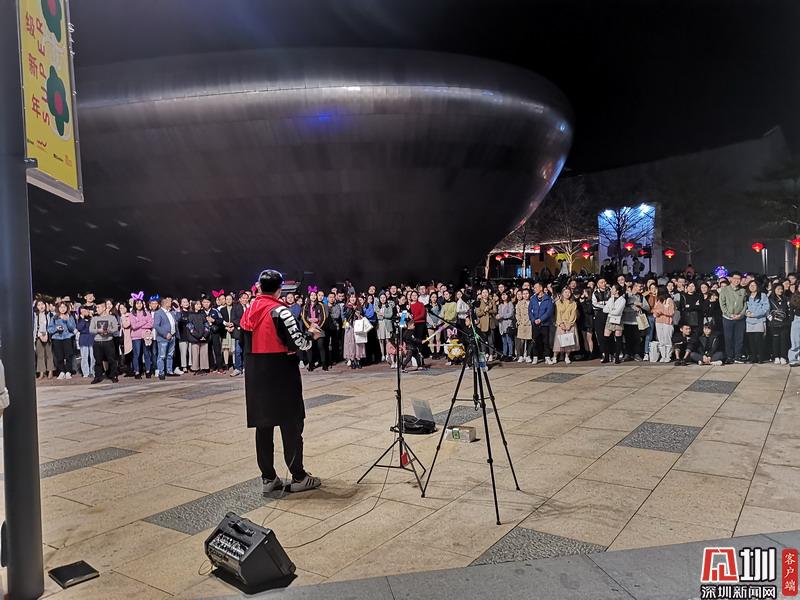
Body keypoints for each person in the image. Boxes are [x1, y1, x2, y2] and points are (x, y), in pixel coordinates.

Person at [240, 269, 322, 494]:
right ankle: (298, 476)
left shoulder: (249, 310)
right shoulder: (281, 311)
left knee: (263, 427)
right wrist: (311, 334)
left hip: (255, 375)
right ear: (279, 289)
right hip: (281, 373)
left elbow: (242, 343)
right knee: (291, 424)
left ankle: (268, 478)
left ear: (259, 287)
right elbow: (299, 343)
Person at [719, 271, 748, 364]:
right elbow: (722, 304)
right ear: (731, 279)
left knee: (739, 338)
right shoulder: (724, 290)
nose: (737, 281)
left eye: (739, 279)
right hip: (728, 318)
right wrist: (729, 314)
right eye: (735, 278)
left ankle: (738, 356)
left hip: (740, 318)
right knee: (728, 338)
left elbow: (745, 304)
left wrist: (741, 314)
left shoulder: (743, 291)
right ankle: (729, 356)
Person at [89, 303, 120, 384]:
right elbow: (91, 330)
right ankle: (98, 376)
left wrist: (109, 331)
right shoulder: (94, 318)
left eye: (98, 307)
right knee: (98, 361)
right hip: (97, 342)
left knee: (111, 360)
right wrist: (98, 331)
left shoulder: (111, 317)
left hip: (108, 341)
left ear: (104, 308)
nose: (97, 309)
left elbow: (115, 328)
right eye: (96, 307)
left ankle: (113, 375)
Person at [48, 301, 77, 379]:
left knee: (68, 355)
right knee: (59, 356)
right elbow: (50, 329)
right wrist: (56, 328)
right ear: (58, 308)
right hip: (57, 338)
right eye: (61, 307)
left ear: (67, 308)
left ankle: (68, 371)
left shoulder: (70, 317)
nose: (63, 309)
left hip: (67, 337)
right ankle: (62, 371)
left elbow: (73, 328)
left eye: (64, 307)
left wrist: (67, 320)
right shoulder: (54, 317)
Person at [154, 297, 180, 380]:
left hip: (172, 336)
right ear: (165, 303)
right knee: (162, 356)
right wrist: (165, 334)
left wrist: (178, 310)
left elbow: (178, 319)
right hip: (163, 338)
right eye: (169, 301)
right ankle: (161, 372)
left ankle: (169, 371)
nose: (171, 302)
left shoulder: (171, 312)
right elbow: (156, 326)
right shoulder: (158, 313)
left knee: (170, 355)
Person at [528, 282, 554, 365]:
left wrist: (541, 319)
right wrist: (533, 319)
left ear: (541, 288)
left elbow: (549, 312)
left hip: (544, 324)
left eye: (536, 287)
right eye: (534, 288)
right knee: (535, 341)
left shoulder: (548, 299)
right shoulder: (533, 299)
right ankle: (535, 357)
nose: (534, 289)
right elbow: (530, 310)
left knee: (546, 341)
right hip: (535, 324)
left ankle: (547, 357)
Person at [745, 280, 769, 364]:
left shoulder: (762, 295)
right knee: (751, 341)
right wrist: (747, 312)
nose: (752, 287)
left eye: (754, 285)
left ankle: (761, 357)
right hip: (749, 321)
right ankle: (753, 357)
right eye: (750, 285)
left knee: (759, 340)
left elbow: (766, 308)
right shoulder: (747, 296)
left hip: (759, 320)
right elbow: (745, 307)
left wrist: (754, 314)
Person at [552, 287, 579, 364]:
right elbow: (557, 314)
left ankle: (567, 357)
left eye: (569, 292)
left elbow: (573, 314)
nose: (567, 294)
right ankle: (555, 356)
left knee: (569, 341)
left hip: (570, 324)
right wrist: (560, 323)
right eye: (566, 292)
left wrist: (570, 324)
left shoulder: (573, 303)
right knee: (558, 342)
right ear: (562, 293)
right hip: (561, 324)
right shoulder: (558, 303)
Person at [130, 295, 154, 379]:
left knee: (147, 353)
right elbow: (133, 326)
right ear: (134, 304)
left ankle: (148, 371)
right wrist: (144, 322)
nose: (139, 305)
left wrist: (140, 324)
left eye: (140, 303)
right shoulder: (132, 314)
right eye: (137, 303)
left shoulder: (147, 313)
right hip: (136, 337)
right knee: (136, 354)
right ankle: (136, 371)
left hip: (146, 336)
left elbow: (150, 324)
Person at [185, 300, 211, 375]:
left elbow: (207, 325)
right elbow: (190, 327)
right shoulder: (190, 315)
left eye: (199, 304)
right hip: (195, 338)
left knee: (204, 354)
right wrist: (198, 336)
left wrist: (204, 335)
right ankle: (195, 368)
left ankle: (204, 368)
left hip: (204, 338)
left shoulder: (203, 314)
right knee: (195, 354)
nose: (199, 305)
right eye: (197, 304)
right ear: (193, 305)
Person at [602, 284, 626, 364]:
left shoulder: (622, 300)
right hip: (610, 318)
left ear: (617, 291)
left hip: (618, 319)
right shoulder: (611, 299)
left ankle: (617, 357)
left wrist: (610, 310)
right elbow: (604, 310)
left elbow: (617, 312)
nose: (611, 290)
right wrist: (612, 310)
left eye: (613, 288)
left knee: (618, 338)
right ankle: (606, 356)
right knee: (606, 337)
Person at [767, 283, 791, 364]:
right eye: (778, 289)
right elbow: (767, 311)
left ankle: (783, 356)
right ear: (774, 290)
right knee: (775, 341)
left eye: (781, 289)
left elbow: (788, 311)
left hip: (784, 323)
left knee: (784, 340)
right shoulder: (770, 299)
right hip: (774, 323)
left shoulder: (786, 299)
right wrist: (771, 319)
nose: (780, 290)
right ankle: (776, 356)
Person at [652, 286, 676, 363]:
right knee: (661, 340)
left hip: (667, 322)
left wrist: (661, 311)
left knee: (667, 340)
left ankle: (668, 356)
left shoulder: (669, 300)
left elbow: (671, 312)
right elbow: (654, 310)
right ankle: (663, 356)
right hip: (658, 322)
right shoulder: (658, 300)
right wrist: (657, 312)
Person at [33, 299, 54, 378]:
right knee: (40, 355)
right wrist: (39, 335)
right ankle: (41, 372)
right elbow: (34, 327)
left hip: (48, 335)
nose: (41, 306)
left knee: (49, 354)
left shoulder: (49, 314)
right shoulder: (35, 315)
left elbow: (51, 325)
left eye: (42, 304)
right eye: (38, 305)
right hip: (38, 336)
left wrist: (47, 334)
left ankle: (50, 371)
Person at [75, 305, 95, 377]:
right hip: (83, 339)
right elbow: (79, 328)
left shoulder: (92, 318)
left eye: (85, 311)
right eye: (82, 311)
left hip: (92, 339)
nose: (84, 312)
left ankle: (93, 371)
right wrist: (83, 319)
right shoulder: (79, 319)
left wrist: (92, 317)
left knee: (93, 357)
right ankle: (86, 373)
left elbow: (94, 327)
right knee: (84, 357)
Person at [515, 288, 532, 363]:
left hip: (529, 324)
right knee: (521, 341)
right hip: (522, 324)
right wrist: (519, 321)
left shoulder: (532, 302)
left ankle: (528, 356)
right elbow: (517, 313)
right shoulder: (519, 303)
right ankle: (521, 356)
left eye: (527, 293)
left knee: (529, 341)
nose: (525, 295)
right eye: (524, 294)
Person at [497, 291, 515, 361]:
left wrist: (501, 316)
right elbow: (499, 314)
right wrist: (497, 316)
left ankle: (510, 354)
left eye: (505, 295)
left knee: (509, 340)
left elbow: (510, 314)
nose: (503, 296)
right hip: (501, 325)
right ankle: (504, 354)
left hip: (508, 324)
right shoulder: (500, 305)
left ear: (508, 296)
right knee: (504, 341)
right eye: (502, 295)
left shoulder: (510, 304)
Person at [788, 291, 800, 367]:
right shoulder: (794, 296)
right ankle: (793, 359)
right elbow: (793, 307)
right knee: (795, 340)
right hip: (797, 318)